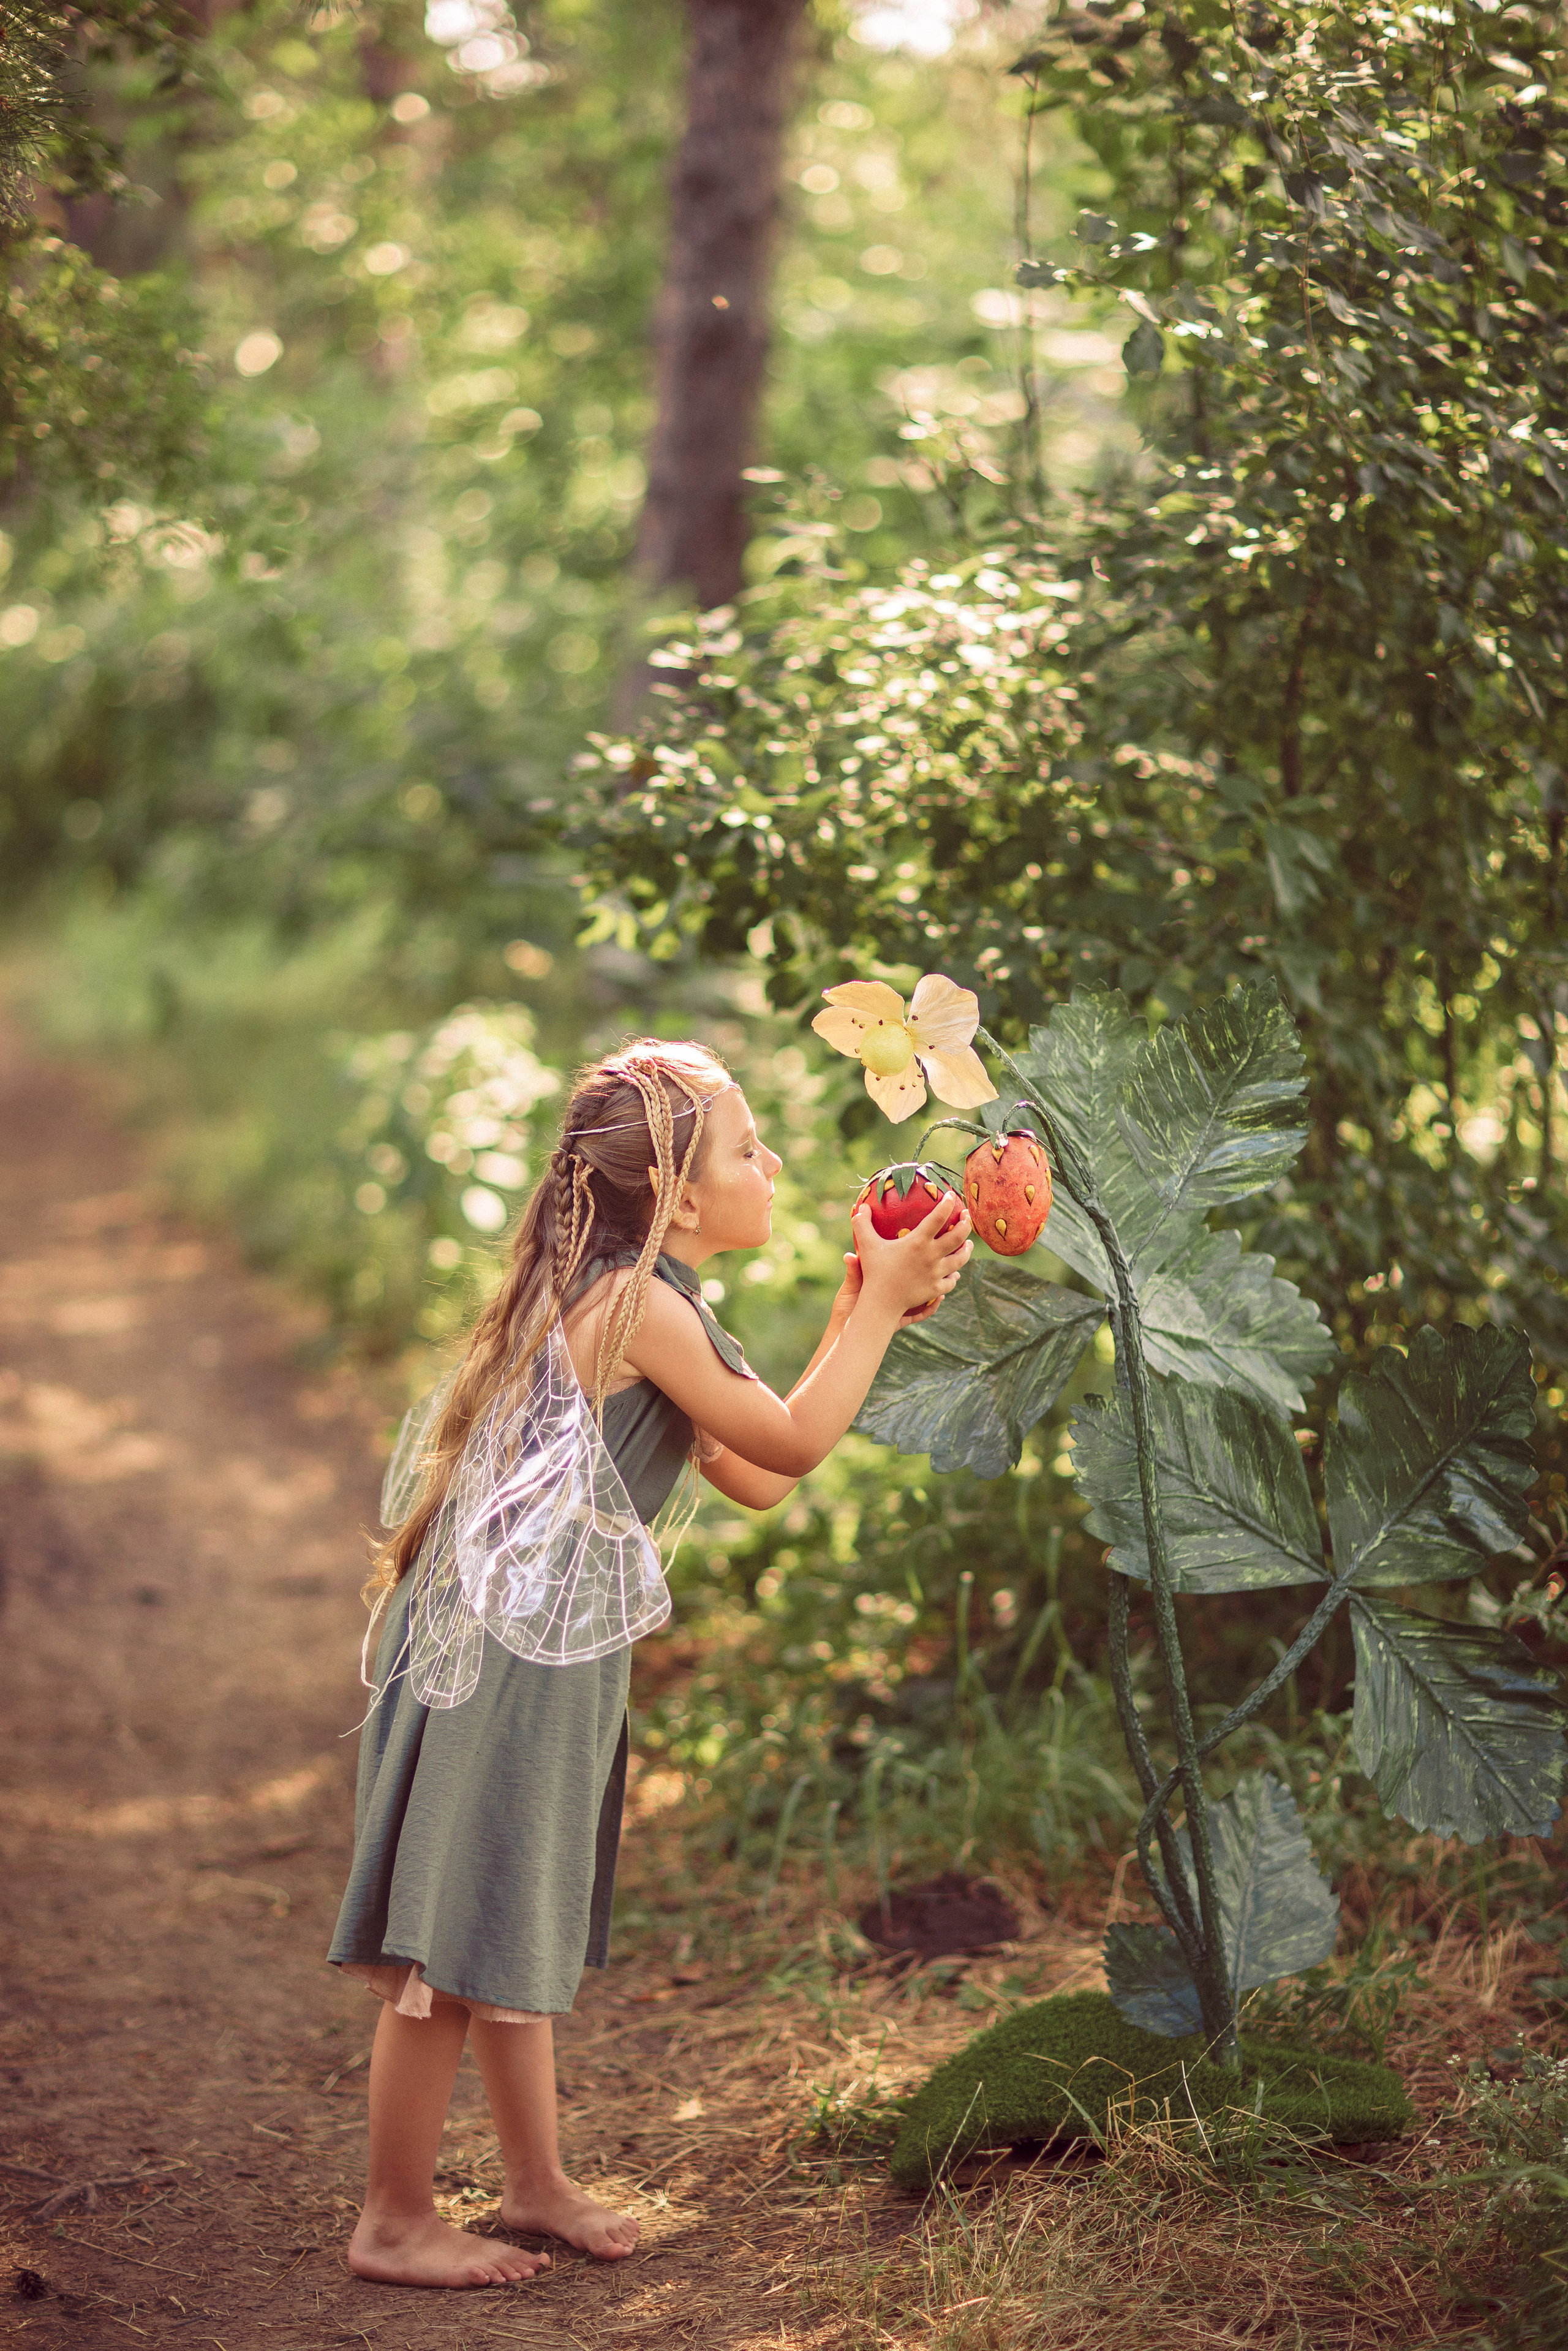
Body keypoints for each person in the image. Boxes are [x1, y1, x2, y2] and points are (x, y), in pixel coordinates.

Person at [328, 1038, 972, 2289]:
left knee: (517, 1897)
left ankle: (532, 2180)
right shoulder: (640, 1305)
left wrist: (854, 1312)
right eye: (745, 1148)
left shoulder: (647, 1292)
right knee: (439, 1949)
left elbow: (768, 1474)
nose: (771, 1162)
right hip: (501, 1651)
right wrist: (887, 1306)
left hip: (539, 1643)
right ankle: (393, 2213)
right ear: (677, 1196)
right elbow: (789, 1435)